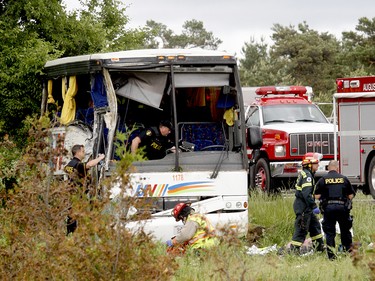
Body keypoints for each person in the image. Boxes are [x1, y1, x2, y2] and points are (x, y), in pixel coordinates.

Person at [314, 160, 355, 260]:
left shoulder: (323, 180)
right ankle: (348, 253)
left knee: (330, 232)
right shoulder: (344, 179)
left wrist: (324, 196)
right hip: (342, 208)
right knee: (345, 230)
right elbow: (350, 195)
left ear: (328, 168)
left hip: (328, 208)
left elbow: (316, 196)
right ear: (337, 168)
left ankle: (331, 257)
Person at [63, 144, 105, 234]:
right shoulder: (78, 165)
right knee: (80, 215)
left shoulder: (69, 165)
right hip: (78, 194)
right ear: (78, 152)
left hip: (72, 193)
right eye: (83, 151)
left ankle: (70, 233)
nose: (84, 153)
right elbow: (89, 165)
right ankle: (77, 234)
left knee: (71, 215)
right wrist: (100, 158)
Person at [290, 152, 324, 254]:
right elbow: (306, 194)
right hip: (304, 207)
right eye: (316, 163)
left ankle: (319, 248)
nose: (318, 165)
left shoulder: (306, 174)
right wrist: (314, 206)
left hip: (306, 207)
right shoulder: (308, 176)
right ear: (309, 164)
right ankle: (293, 251)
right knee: (301, 229)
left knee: (315, 227)